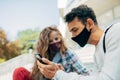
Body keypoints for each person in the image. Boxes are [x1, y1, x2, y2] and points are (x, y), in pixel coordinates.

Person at [37, 4, 120, 80]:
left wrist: (58, 74)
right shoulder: (97, 53)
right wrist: (61, 73)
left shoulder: (115, 32)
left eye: (75, 30)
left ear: (89, 24)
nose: (73, 36)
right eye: (71, 32)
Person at [13, 26, 89, 80]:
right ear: (45, 44)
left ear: (60, 38)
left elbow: (85, 73)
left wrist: (62, 74)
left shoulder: (68, 54)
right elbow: (36, 76)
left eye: (56, 39)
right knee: (19, 71)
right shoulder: (43, 56)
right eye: (50, 41)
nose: (55, 42)